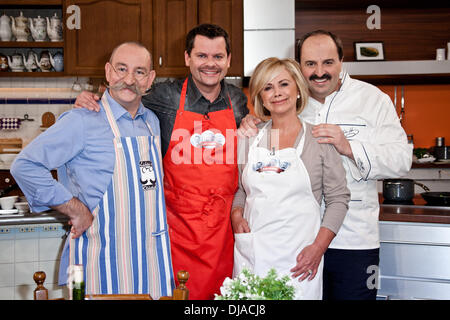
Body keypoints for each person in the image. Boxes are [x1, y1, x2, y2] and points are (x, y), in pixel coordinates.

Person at [73, 24, 248, 299]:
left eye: (218, 57)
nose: (210, 64)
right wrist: (90, 99)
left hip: (224, 233)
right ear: (187, 58)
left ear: (228, 60)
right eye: (202, 56)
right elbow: (123, 95)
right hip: (177, 234)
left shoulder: (238, 101)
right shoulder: (163, 96)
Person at [238, 30, 413, 300]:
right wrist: (252, 121)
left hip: (353, 240)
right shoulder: (289, 97)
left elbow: (402, 160)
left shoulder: (373, 100)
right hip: (294, 244)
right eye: (310, 64)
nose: (319, 72)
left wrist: (349, 147)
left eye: (328, 63)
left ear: (342, 62)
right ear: (299, 67)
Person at [10, 42, 175, 298]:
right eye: (121, 69)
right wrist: (74, 208)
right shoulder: (81, 120)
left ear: (150, 79)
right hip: (99, 261)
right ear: (108, 72)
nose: (129, 79)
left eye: (139, 71)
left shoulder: (151, 122)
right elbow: (24, 166)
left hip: (150, 262)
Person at [231, 57, 350, 300]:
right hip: (253, 255)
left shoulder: (319, 140)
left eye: (283, 84)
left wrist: (318, 248)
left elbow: (339, 199)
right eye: (268, 87)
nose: (277, 93)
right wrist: (236, 215)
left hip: (299, 261)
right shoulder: (248, 139)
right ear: (261, 97)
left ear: (297, 88)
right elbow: (241, 190)